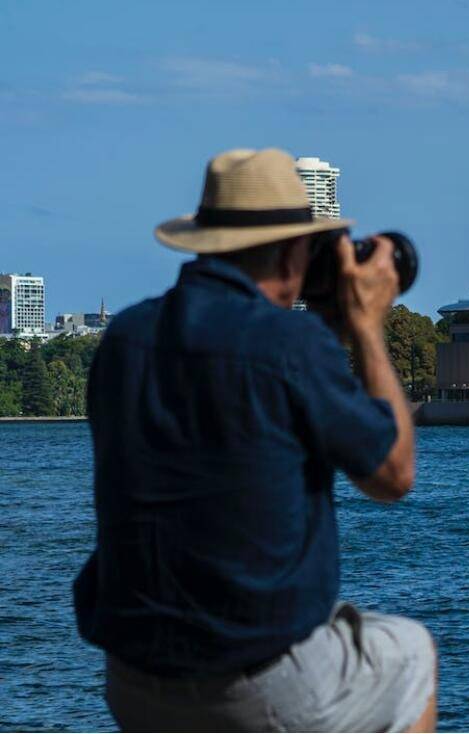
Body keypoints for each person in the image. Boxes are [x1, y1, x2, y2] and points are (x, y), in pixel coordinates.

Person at [73, 149, 436, 731]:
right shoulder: (288, 345)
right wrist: (366, 327)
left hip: (134, 676)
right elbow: (393, 475)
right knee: (412, 651)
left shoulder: (126, 337)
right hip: (255, 682)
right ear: (294, 250)